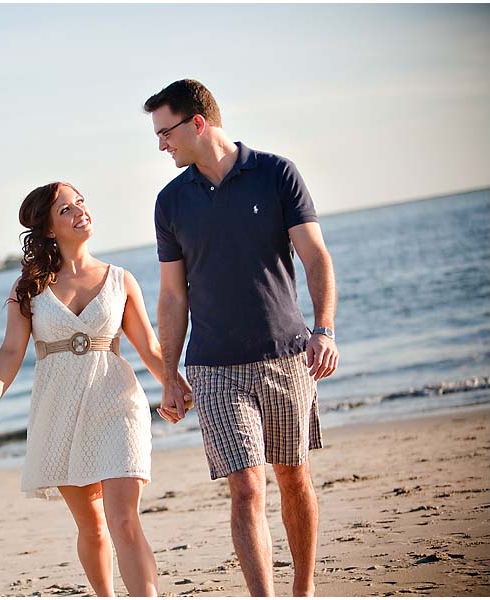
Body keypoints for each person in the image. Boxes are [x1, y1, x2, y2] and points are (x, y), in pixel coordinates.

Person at [143, 79, 339, 597]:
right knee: (247, 486)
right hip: (213, 366)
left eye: (165, 133)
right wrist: (168, 375)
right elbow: (171, 296)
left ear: (198, 123)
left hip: (286, 355)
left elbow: (315, 257)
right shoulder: (170, 202)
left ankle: (303, 588)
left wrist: (324, 329)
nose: (162, 144)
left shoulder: (276, 174)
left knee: (293, 476)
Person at [0, 181, 192, 597]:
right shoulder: (29, 290)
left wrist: (173, 384)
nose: (80, 212)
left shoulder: (120, 279)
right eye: (66, 210)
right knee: (92, 528)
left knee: (124, 520)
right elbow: (10, 350)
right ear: (49, 229)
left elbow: (147, 345)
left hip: (117, 403)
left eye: (81, 203)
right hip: (60, 412)